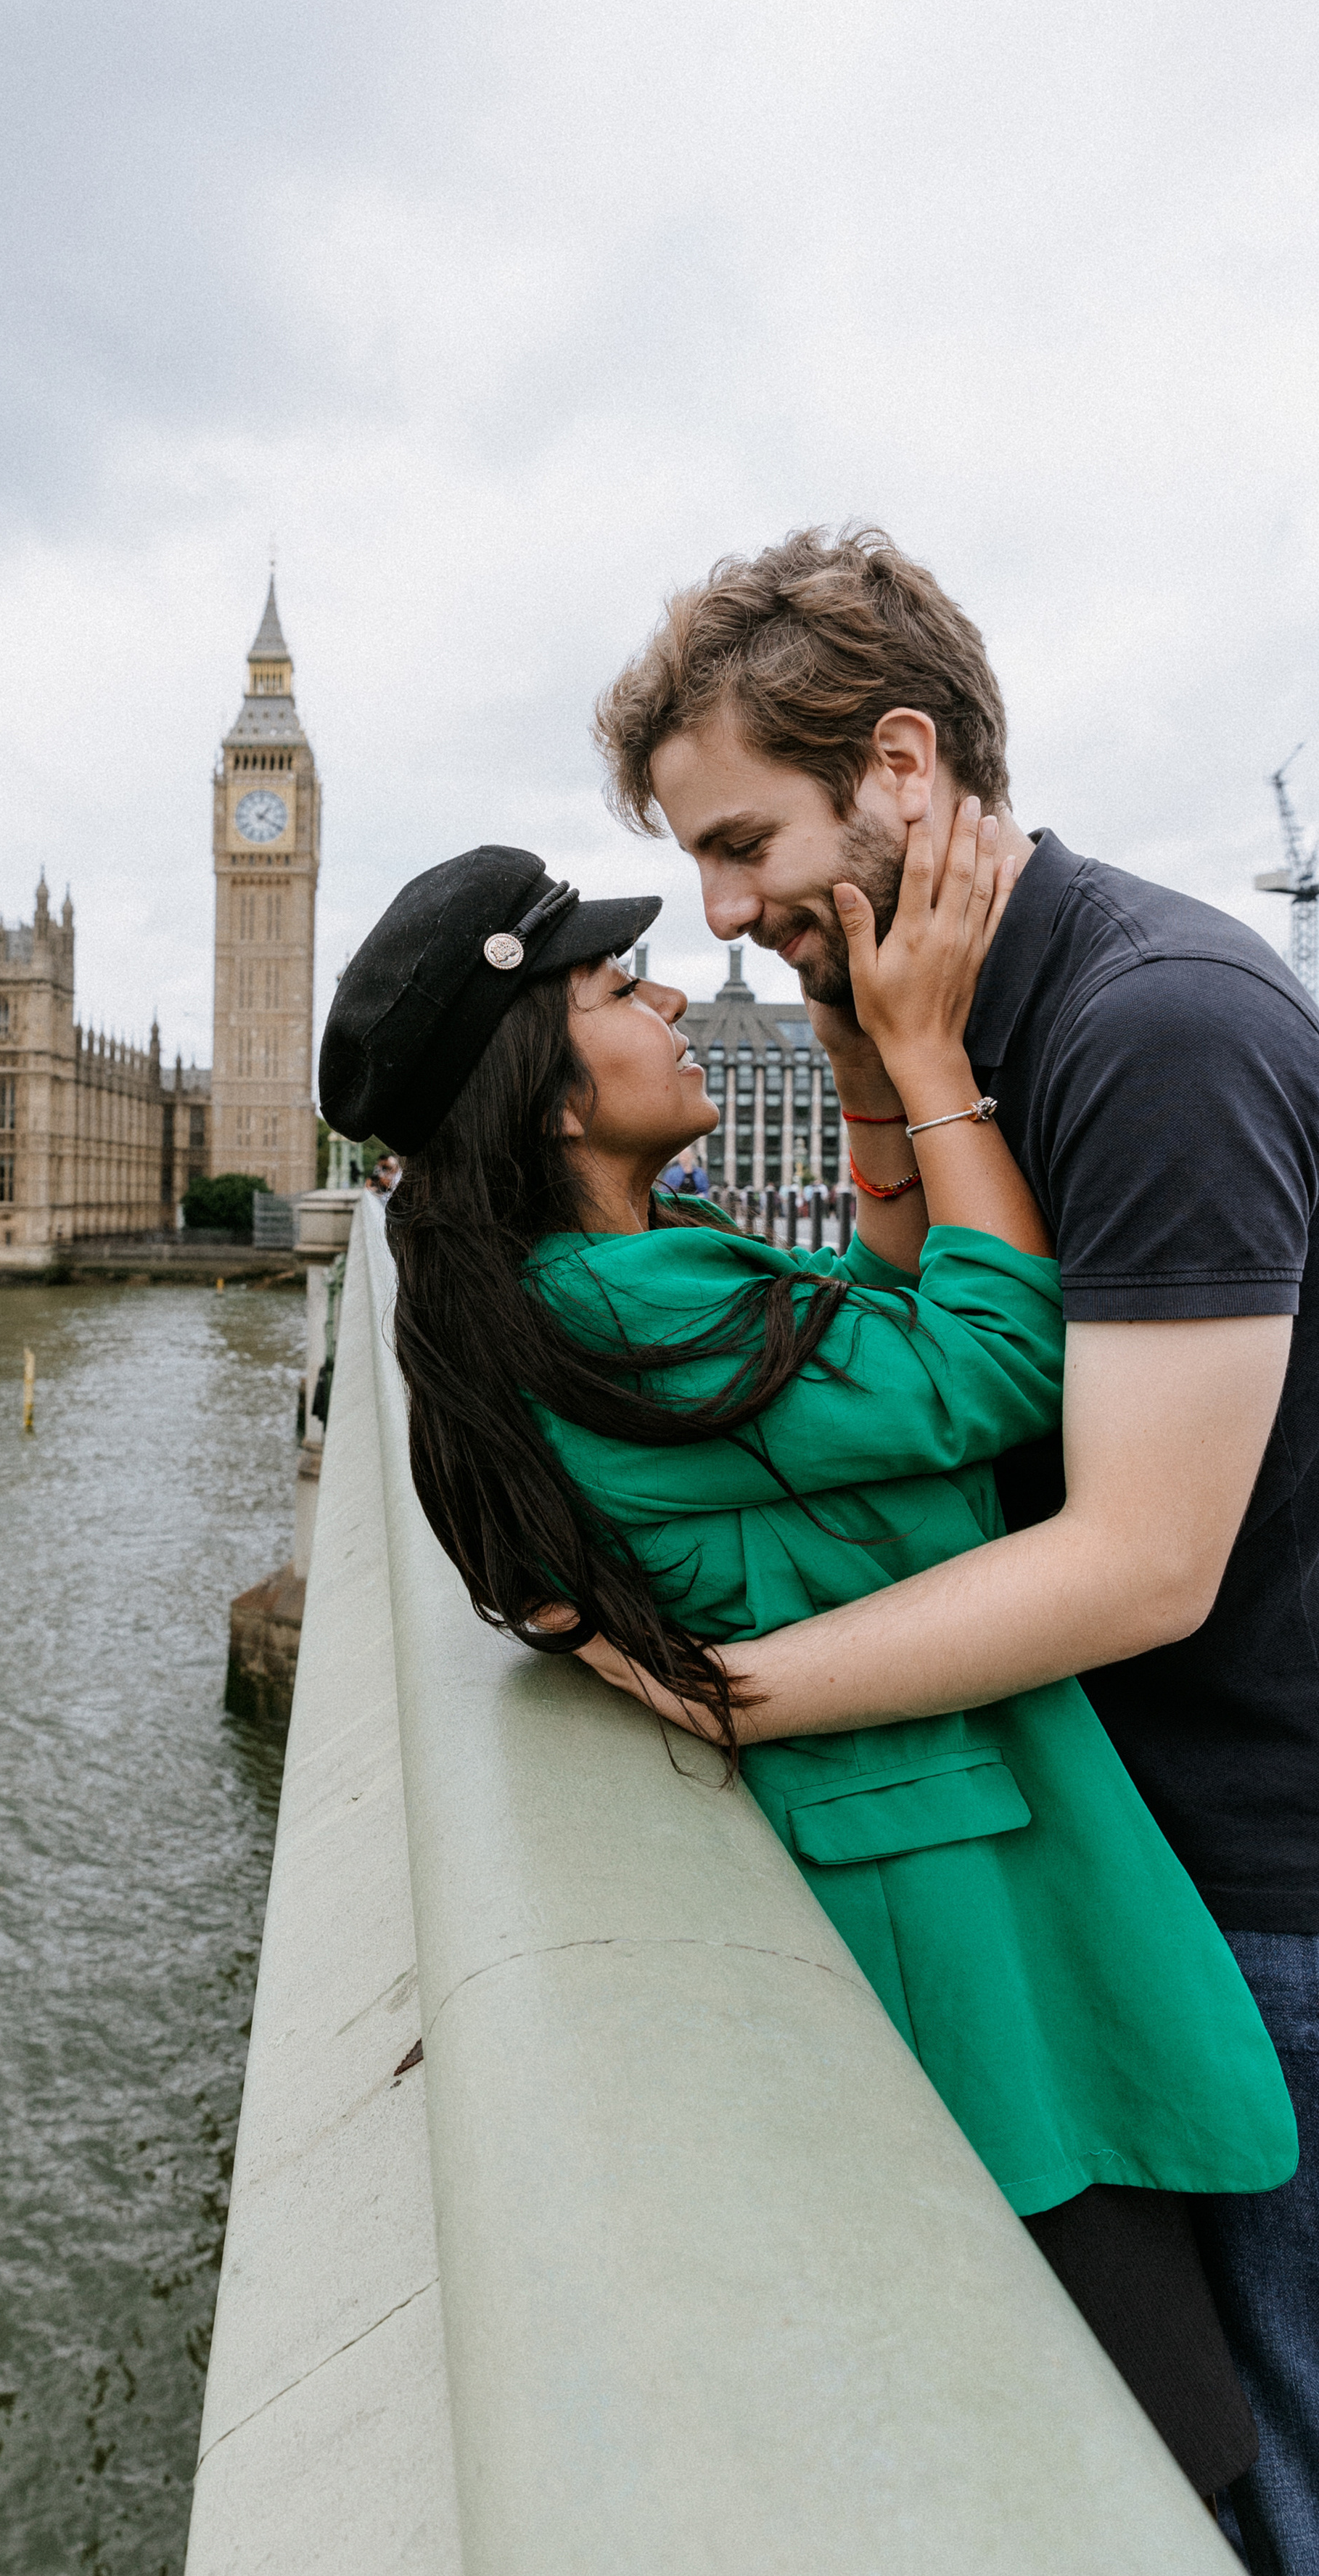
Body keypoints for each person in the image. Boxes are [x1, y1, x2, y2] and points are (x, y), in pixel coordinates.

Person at [319, 831, 1296, 2507]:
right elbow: (993, 1362)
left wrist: (852, 1075)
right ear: (555, 1097)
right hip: (973, 1954)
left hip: (928, 1895)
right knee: (1167, 2452)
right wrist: (922, 1057)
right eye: (625, 988)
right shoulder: (628, 1303)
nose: (682, 992)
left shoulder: (592, 1290)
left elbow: (870, 1322)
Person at [588, 524, 1319, 2571]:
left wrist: (730, 1692)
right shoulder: (968, 1007)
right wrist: (870, 1051)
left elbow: (1140, 1561)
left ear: (900, 767)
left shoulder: (1160, 1024)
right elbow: (941, 1370)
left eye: (744, 842)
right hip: (1131, 1830)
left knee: (1273, 2472)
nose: (721, 911)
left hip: (1272, 1880)